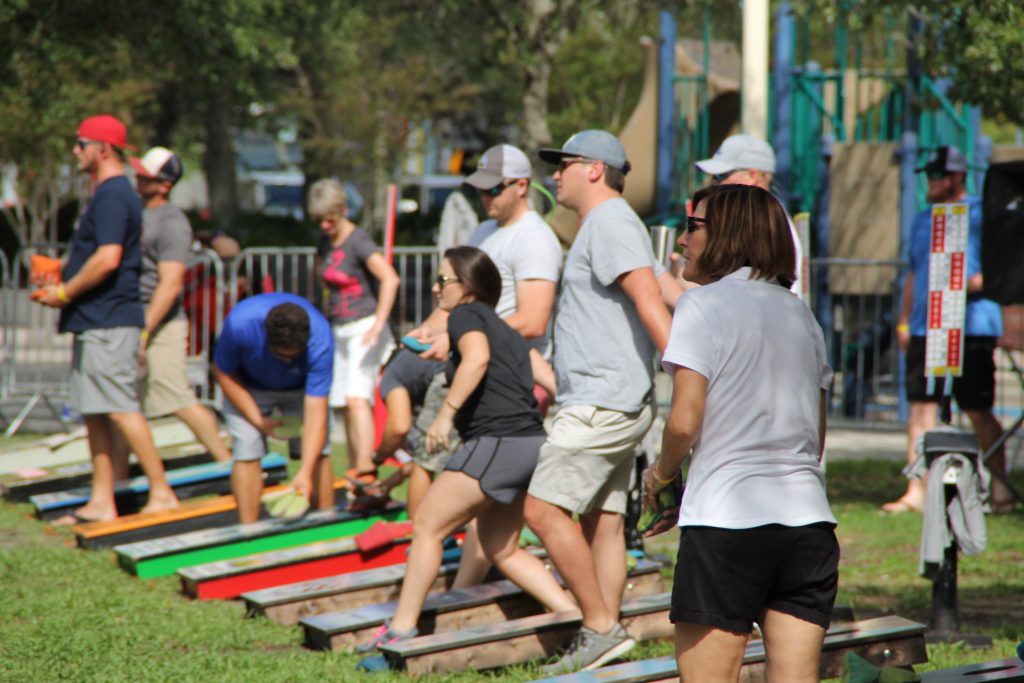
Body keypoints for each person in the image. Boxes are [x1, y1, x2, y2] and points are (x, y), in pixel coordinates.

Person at [643, 183, 838, 683]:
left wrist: (661, 475)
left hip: (727, 523)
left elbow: (685, 421)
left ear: (729, 233)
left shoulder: (701, 306)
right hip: (808, 526)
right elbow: (816, 439)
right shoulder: (801, 314)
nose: (682, 241)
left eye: (693, 226)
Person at [357, 246, 576, 655]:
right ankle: (571, 616)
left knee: (426, 524)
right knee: (502, 548)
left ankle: (401, 629)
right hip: (530, 443)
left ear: (468, 287)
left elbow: (475, 360)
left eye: (443, 281)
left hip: (498, 441)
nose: (437, 288)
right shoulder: (506, 329)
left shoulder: (465, 314)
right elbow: (546, 378)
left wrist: (444, 416)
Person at [524, 129, 681, 674]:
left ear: (593, 169)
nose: (554, 175)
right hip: (609, 397)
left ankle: (597, 626)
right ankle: (604, 633)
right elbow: (666, 288)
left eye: (562, 165)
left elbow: (646, 300)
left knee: (541, 509)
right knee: (603, 522)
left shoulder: (610, 222)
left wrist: (689, 376)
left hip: (602, 401)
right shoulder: (613, 225)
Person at [33, 114, 179, 523]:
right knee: (95, 411)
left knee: (120, 408)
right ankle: (102, 502)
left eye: (81, 144)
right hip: (94, 319)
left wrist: (63, 292)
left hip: (112, 319)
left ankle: (162, 492)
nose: (75, 151)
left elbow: (108, 258)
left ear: (103, 149)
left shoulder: (115, 194)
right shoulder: (105, 194)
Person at [884, 145, 1009, 513]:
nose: (931, 182)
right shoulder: (924, 219)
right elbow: (913, 273)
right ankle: (916, 491)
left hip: (970, 326)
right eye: (928, 175)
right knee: (920, 409)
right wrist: (905, 320)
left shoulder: (981, 216)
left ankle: (1000, 490)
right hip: (927, 326)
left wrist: (966, 283)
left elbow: (1000, 271)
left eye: (938, 175)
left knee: (977, 408)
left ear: (956, 177)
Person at [106, 147, 231, 466]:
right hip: (129, 316)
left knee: (174, 394)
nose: (138, 177)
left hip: (162, 321)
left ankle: (229, 463)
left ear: (164, 185)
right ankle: (119, 481)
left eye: (146, 175)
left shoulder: (173, 222)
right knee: (122, 403)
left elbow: (170, 283)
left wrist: (145, 329)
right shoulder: (133, 209)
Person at [308, 179, 400, 487]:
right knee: (343, 403)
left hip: (365, 326)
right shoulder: (325, 242)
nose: (324, 225)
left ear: (343, 210)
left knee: (358, 398)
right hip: (339, 328)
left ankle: (366, 466)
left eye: (329, 220)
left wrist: (378, 323)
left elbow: (390, 279)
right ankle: (353, 465)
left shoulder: (359, 240)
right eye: (319, 220)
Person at [212, 293, 334, 523]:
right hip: (246, 386)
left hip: (301, 389)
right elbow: (223, 372)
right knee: (247, 447)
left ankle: (325, 523)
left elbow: (316, 414)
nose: (288, 361)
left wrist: (305, 472)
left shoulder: (321, 339)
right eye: (281, 355)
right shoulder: (240, 326)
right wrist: (257, 420)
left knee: (320, 450)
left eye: (295, 355)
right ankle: (248, 531)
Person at [695, 133, 804, 295]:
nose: (713, 183)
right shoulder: (764, 216)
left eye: (720, 175)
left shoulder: (762, 222)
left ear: (752, 176)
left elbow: (731, 293)